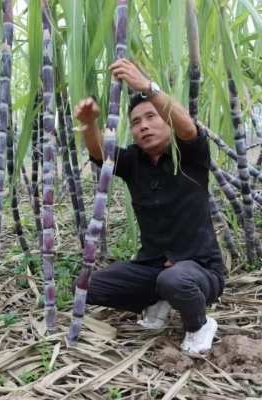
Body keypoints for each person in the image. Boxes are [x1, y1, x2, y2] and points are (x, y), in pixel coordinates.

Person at [74, 58, 224, 354]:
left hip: (199, 269)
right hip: (152, 266)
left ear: (167, 120)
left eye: (151, 117)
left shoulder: (190, 154)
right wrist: (89, 122)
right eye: (136, 122)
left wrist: (147, 87)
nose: (143, 126)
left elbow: (189, 128)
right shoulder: (134, 162)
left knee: (176, 280)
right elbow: (100, 155)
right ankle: (158, 299)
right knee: (88, 287)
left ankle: (199, 326)